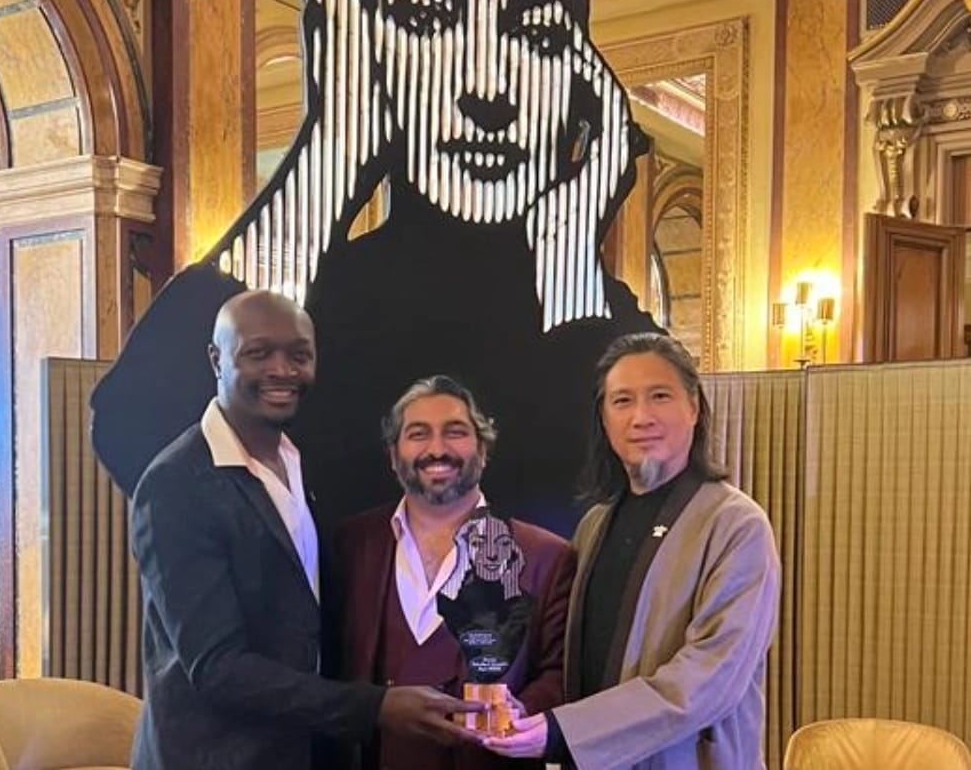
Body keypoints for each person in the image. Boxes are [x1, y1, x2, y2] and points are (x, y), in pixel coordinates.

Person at [92, 0, 657, 537]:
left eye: (537, 31)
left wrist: (569, 269)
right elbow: (139, 437)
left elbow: (627, 510)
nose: (488, 88)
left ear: (578, 76)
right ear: (356, 41)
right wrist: (331, 149)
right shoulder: (321, 316)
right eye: (424, 17)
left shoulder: (601, 318)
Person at [130, 291, 481, 770]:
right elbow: (217, 668)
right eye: (259, 353)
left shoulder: (294, 462)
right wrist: (374, 707)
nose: (282, 370)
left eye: (299, 355)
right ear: (216, 359)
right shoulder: (177, 484)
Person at [483, 333, 780, 770]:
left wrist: (566, 731)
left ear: (694, 407)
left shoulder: (735, 526)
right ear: (604, 420)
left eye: (660, 396)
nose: (641, 417)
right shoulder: (594, 525)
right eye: (622, 401)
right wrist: (524, 707)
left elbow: (709, 679)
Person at [333, 375, 576, 770]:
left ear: (483, 450)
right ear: (393, 455)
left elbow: (563, 671)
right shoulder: (353, 545)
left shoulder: (546, 557)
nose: (437, 449)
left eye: (455, 432)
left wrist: (524, 711)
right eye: (418, 434)